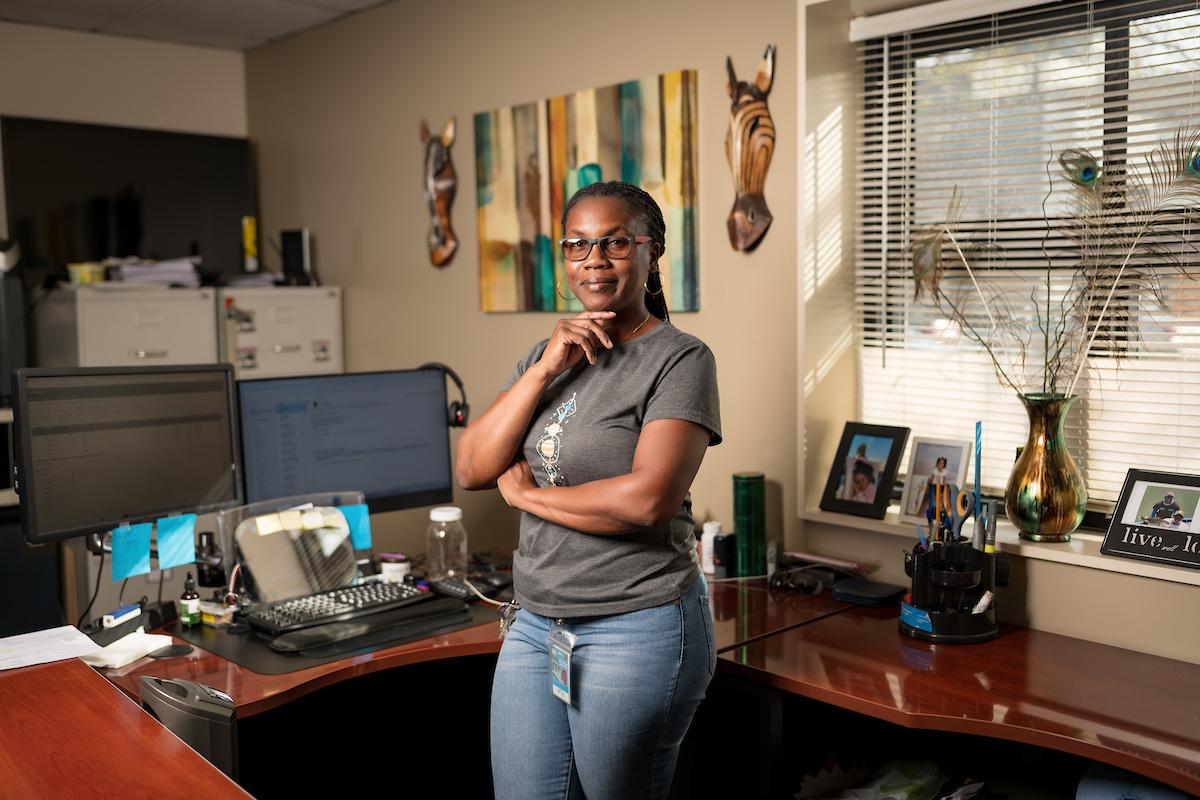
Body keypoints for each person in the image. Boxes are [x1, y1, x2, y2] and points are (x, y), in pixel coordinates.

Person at [455, 181, 721, 800]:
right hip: (536, 623)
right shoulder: (543, 356)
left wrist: (526, 497)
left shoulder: (680, 360)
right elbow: (471, 466)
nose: (594, 260)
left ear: (651, 251)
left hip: (636, 623)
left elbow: (646, 502)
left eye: (614, 243)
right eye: (577, 245)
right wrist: (546, 367)